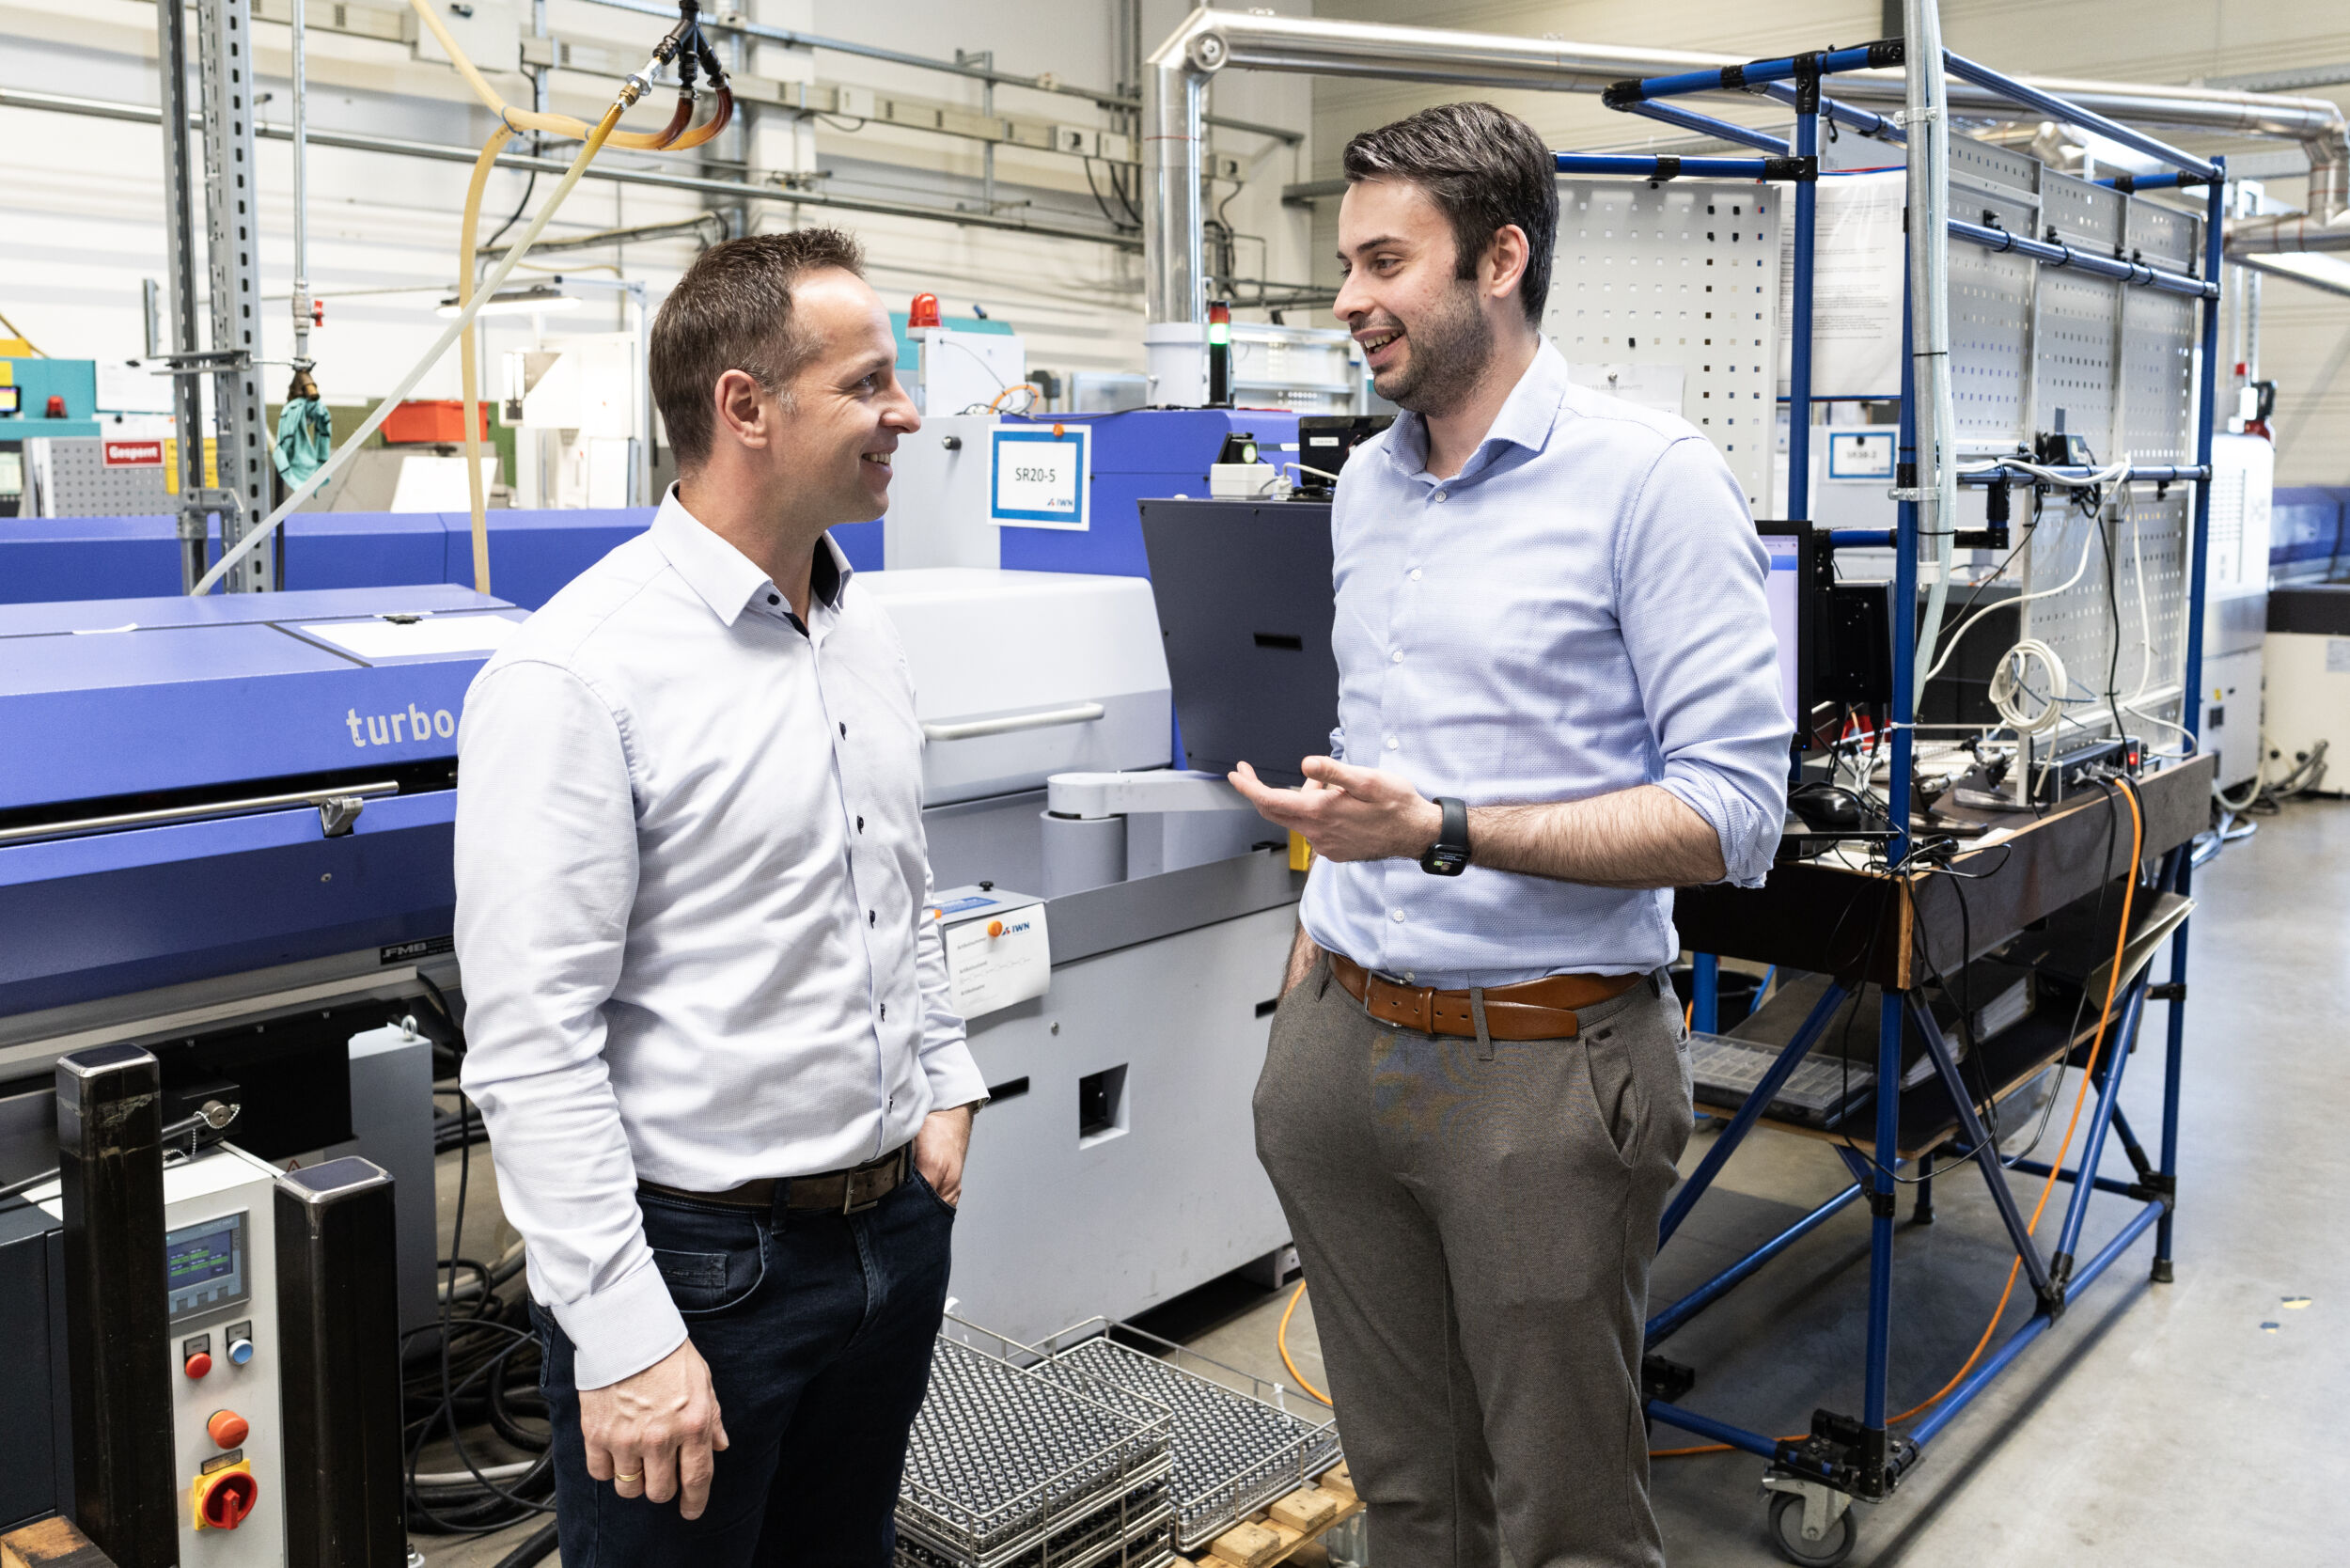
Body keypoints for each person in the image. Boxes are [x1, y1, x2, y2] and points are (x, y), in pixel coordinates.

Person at [1230, 103, 1792, 1568]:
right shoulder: (1367, 486)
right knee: (1407, 1494)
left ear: (1500, 260)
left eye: (1384, 262)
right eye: (1344, 264)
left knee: (1564, 1520)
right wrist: (1312, 970)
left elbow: (1735, 813)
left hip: (1542, 1069)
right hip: (1342, 1044)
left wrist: (1447, 831)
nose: (1345, 299)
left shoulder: (1651, 479)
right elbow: (1378, 753)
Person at [453, 227, 986, 1566]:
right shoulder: (575, 676)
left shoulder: (859, 626)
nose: (906, 412)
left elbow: (895, 883)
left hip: (889, 1238)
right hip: (700, 1270)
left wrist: (944, 1075)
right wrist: (624, 1334)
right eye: (868, 383)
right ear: (746, 406)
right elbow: (530, 1045)